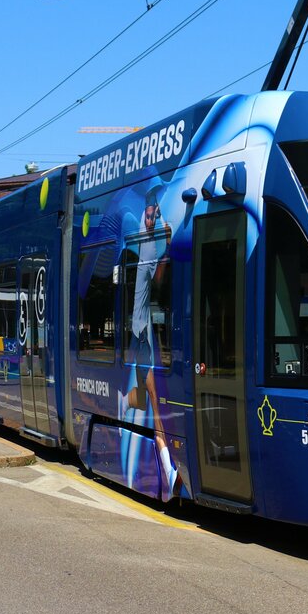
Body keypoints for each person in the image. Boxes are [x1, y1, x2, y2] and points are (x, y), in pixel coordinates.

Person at [123, 187, 178, 493]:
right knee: (155, 395)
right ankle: (168, 469)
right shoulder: (148, 248)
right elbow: (158, 284)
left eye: (154, 211)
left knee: (146, 396)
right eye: (149, 211)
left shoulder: (146, 241)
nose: (151, 215)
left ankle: (123, 402)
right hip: (142, 328)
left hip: (141, 327)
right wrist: (169, 242)